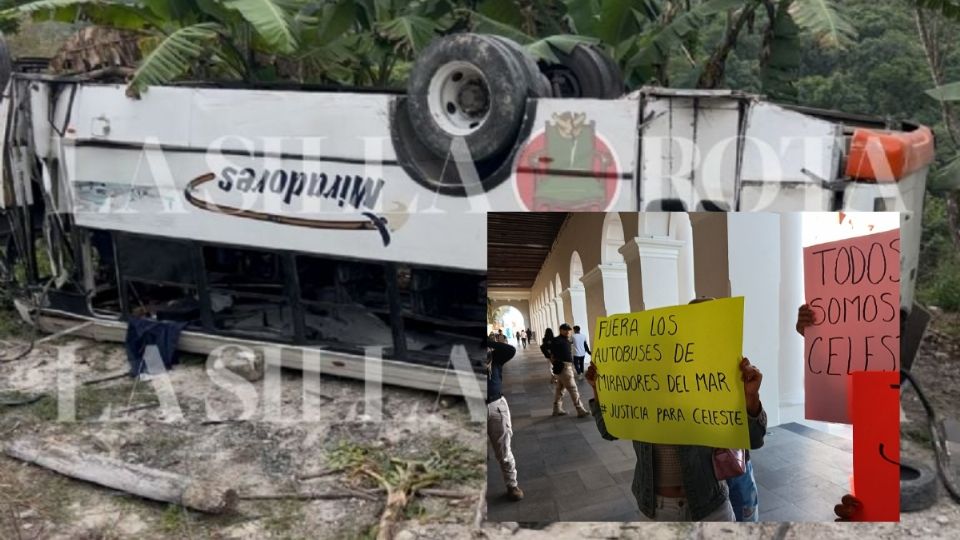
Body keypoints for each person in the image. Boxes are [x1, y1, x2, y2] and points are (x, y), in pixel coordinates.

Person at [584, 324, 767, 522]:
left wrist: (751, 396)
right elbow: (608, 431)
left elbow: (754, 440)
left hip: (709, 505)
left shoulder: (713, 387)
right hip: (656, 509)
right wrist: (598, 389)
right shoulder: (637, 392)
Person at [486, 337, 524, 501]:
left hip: (495, 405)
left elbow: (510, 350)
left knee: (504, 450)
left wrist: (488, 343)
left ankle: (512, 485)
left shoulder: (495, 358)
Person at [550, 323, 590, 418]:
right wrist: (555, 363)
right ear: (561, 330)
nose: (568, 331)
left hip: (565, 367)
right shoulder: (557, 341)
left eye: (569, 330)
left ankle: (557, 409)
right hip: (564, 368)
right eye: (565, 330)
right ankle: (580, 409)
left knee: (560, 389)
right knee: (573, 389)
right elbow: (551, 354)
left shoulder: (566, 340)